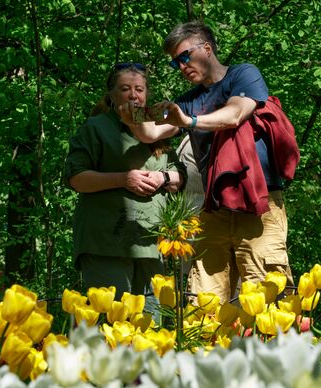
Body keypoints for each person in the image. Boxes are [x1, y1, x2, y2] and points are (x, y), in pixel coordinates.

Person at [118, 21, 298, 304]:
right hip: (214, 210)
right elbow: (152, 131)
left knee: (267, 297)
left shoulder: (243, 74)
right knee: (205, 299)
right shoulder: (188, 101)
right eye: (175, 62)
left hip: (259, 205)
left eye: (184, 57)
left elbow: (236, 114)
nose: (181, 66)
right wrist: (132, 118)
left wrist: (189, 121)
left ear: (207, 48)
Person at [64, 62, 186, 307]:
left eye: (139, 89)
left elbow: (180, 176)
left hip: (152, 245)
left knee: (148, 329)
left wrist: (163, 178)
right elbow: (76, 178)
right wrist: (123, 179)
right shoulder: (96, 128)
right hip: (105, 245)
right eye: (125, 89)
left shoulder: (157, 129)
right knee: (110, 323)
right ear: (111, 94)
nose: (133, 95)